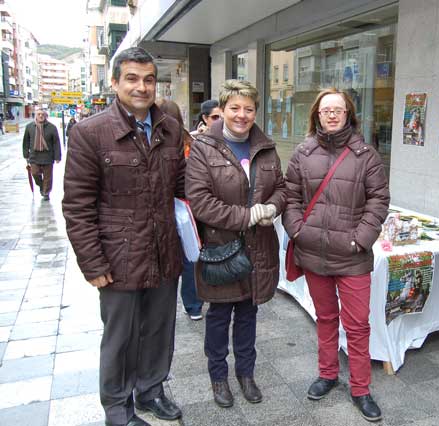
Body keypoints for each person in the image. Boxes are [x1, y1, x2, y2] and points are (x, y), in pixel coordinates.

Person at [62, 47, 185, 426]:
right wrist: (92, 263)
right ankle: (118, 410)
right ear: (114, 82)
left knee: (159, 330)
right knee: (121, 338)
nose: (142, 87)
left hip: (164, 250)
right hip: (118, 258)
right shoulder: (89, 133)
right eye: (132, 78)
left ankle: (151, 391)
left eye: (149, 79)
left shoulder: (170, 128)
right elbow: (77, 207)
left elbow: (182, 188)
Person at [283, 88, 390, 422]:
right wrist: (298, 230)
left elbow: (378, 200)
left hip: (352, 256)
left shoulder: (365, 155)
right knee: (325, 318)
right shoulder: (303, 152)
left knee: (357, 325)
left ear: (348, 115)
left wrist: (361, 239)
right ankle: (327, 373)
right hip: (313, 251)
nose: (331, 115)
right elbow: (290, 198)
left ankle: (361, 388)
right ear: (317, 114)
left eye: (338, 110)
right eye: (325, 110)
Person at [186, 79, 286, 408]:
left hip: (258, 249)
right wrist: (247, 216)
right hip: (221, 249)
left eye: (249, 109)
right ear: (222, 111)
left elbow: (281, 189)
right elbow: (200, 201)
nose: (242, 115)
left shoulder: (266, 147)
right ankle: (218, 376)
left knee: (248, 314)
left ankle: (246, 374)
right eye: (235, 108)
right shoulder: (203, 148)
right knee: (218, 317)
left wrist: (272, 207)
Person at [156, 98, 203, 320]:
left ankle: (171, 305)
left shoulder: (162, 141)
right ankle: (193, 305)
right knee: (189, 256)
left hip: (173, 208)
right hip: (188, 209)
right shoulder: (189, 141)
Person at [22, 107, 61, 201]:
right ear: (36, 115)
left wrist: (57, 156)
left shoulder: (52, 127)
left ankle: (46, 192)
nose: (40, 116)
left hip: (48, 156)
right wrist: (25, 154)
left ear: (46, 116)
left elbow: (56, 142)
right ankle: (42, 186)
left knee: (48, 177)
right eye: (39, 114)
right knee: (35, 173)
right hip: (34, 156)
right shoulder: (29, 127)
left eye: (42, 114)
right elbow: (26, 141)